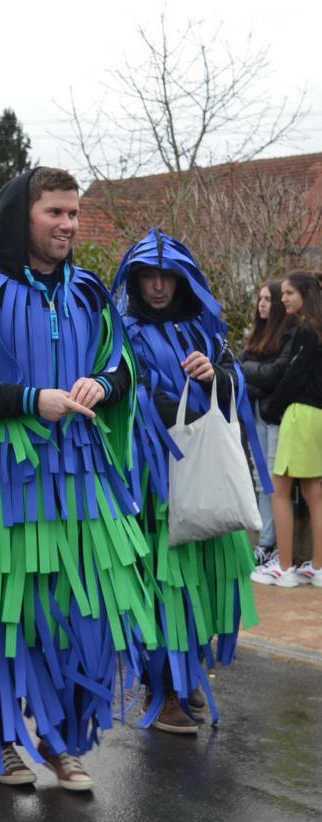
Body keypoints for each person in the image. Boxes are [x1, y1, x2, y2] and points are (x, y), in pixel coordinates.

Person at [0, 167, 154, 790]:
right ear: (23, 215)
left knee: (84, 615)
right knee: (4, 618)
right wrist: (31, 400)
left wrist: (105, 384)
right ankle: (0, 744)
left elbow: (123, 367)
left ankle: (61, 742)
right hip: (7, 487)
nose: (68, 225)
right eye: (55, 212)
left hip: (83, 481)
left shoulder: (91, 292)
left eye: (74, 213)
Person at [112, 229, 263, 732]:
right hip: (156, 481)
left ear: (182, 279)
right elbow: (122, 392)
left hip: (206, 476)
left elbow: (234, 381)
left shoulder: (206, 330)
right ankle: (163, 689)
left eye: (167, 276)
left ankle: (187, 670)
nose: (158, 286)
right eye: (148, 277)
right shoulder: (121, 331)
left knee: (204, 580)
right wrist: (164, 415)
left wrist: (214, 376)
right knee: (165, 584)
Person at [254, 271, 322, 588]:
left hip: (299, 414)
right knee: (313, 492)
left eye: (289, 293)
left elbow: (293, 376)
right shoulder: (317, 330)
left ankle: (283, 566)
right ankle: (318, 567)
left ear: (305, 295)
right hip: (317, 415)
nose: (283, 299)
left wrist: (271, 408)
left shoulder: (306, 331)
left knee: (279, 489)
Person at [239, 281, 294, 566]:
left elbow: (275, 376)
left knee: (275, 480)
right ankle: (264, 543)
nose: (262, 304)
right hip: (255, 413)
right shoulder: (252, 337)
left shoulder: (286, 335)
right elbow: (241, 371)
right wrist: (256, 378)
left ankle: (271, 545)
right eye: (259, 298)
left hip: (275, 415)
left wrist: (253, 375)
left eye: (267, 299)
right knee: (261, 480)